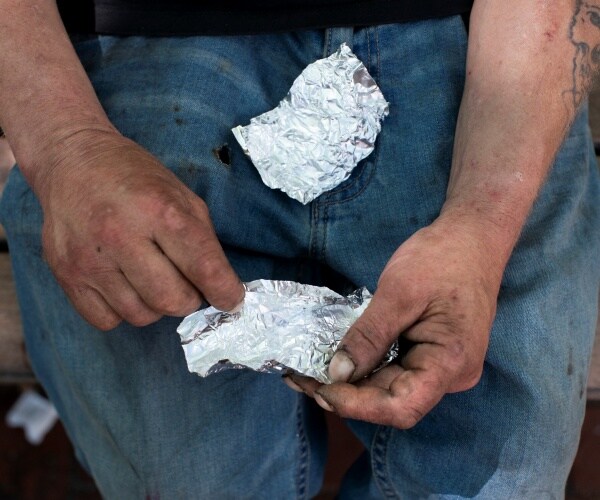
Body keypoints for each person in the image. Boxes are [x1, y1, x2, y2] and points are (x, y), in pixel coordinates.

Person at [0, 0, 598, 497]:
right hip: (133, 45)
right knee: (185, 479)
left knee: (499, 475)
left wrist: (482, 222)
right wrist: (66, 144)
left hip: (481, 46)